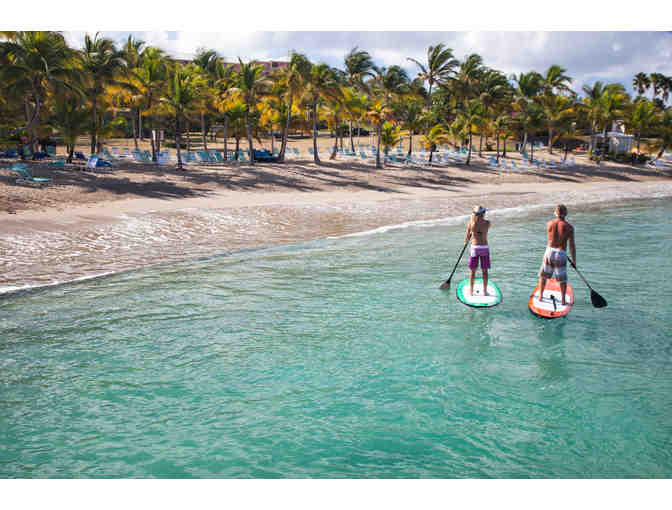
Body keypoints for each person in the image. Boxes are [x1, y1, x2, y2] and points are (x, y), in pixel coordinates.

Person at [538, 204, 576, 305]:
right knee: (562, 279)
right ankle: (563, 300)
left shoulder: (549, 224)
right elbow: (572, 245)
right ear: (566, 213)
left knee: (543, 276)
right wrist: (574, 260)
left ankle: (541, 296)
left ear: (555, 213)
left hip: (549, 251)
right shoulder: (569, 227)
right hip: (561, 253)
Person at [465, 206, 491, 296]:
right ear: (483, 213)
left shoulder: (470, 224)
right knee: (485, 271)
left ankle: (471, 291)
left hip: (474, 248)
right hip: (484, 247)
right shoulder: (487, 223)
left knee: (472, 271)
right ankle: (485, 291)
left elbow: (467, 239)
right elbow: (484, 230)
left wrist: (473, 220)